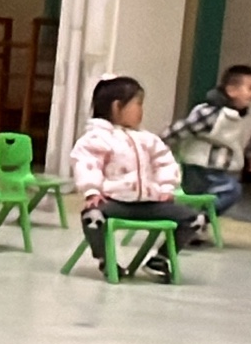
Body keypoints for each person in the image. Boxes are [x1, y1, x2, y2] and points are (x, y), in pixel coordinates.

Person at [73, 75, 200, 282]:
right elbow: (87, 164)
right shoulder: (97, 138)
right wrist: (92, 191)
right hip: (115, 203)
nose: (141, 110)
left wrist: (166, 188)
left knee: (195, 219)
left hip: (149, 204)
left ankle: (160, 259)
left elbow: (165, 163)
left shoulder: (148, 139)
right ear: (117, 107)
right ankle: (105, 260)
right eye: (138, 104)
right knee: (92, 216)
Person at [165, 64, 251, 216]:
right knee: (232, 190)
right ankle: (197, 218)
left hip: (223, 167)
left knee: (224, 192)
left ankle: (194, 218)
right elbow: (183, 128)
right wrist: (159, 144)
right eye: (250, 88)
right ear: (231, 90)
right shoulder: (212, 113)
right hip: (200, 166)